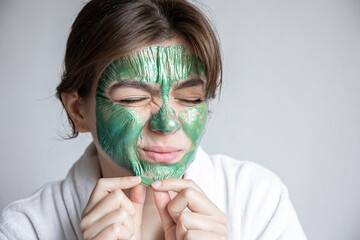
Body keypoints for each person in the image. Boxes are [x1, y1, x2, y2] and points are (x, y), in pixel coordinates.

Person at [0, 0, 307, 239]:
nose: (167, 123)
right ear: (79, 111)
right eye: (133, 99)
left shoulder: (258, 201)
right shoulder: (25, 228)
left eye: (189, 99)